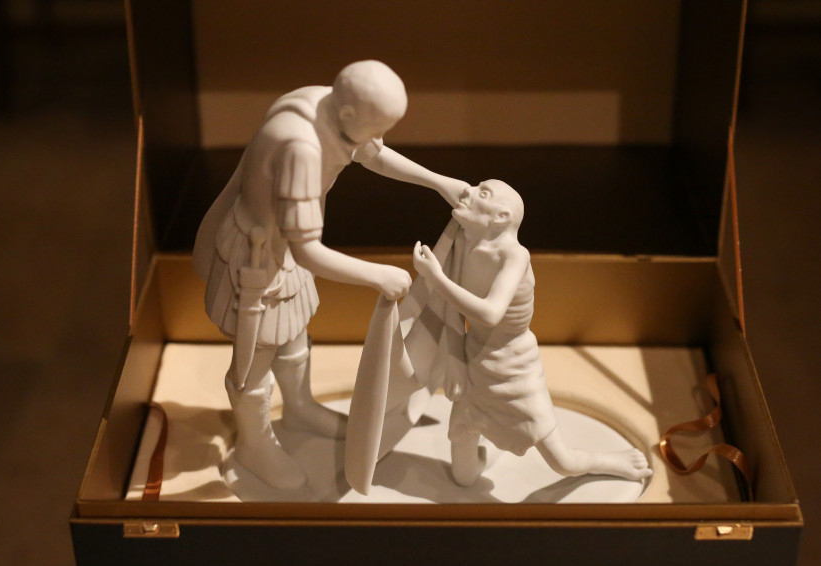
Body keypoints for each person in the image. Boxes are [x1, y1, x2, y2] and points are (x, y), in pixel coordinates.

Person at [192, 60, 467, 489]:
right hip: (259, 263)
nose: (380, 136)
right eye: (377, 126)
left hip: (284, 251)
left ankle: (299, 407)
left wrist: (438, 182)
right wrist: (376, 275)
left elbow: (371, 153)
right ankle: (254, 443)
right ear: (349, 113)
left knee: (294, 336)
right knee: (256, 358)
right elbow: (308, 250)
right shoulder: (299, 147)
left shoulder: (327, 103)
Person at [412, 179, 653, 487]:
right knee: (464, 476)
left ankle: (605, 461)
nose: (468, 191)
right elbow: (454, 311)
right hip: (475, 357)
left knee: (563, 464)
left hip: (512, 365)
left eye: (482, 192)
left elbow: (490, 313)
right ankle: (497, 446)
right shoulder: (464, 242)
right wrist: (456, 360)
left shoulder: (514, 256)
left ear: (501, 217)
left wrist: (436, 278)